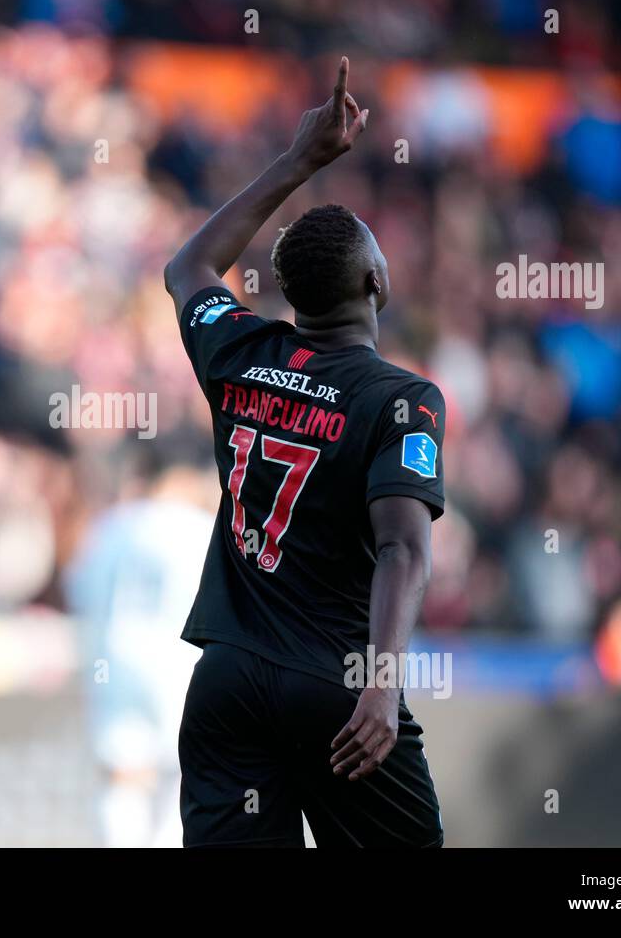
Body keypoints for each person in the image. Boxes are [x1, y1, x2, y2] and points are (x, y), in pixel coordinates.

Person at [163, 58, 446, 847]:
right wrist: (382, 687)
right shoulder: (404, 399)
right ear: (376, 282)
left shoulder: (239, 351)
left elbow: (187, 267)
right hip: (337, 689)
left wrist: (298, 162)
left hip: (227, 684)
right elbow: (402, 548)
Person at [66, 453, 215, 847]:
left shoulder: (111, 526)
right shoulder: (201, 529)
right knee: (185, 774)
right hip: (179, 663)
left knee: (123, 775)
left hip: (115, 659)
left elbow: (78, 590)